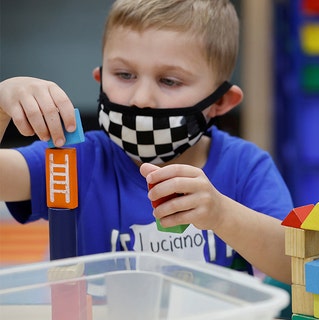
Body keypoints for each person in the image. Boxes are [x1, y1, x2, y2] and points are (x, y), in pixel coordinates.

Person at [0, 0, 293, 283]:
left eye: (169, 81)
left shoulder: (245, 166)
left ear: (221, 102)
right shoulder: (75, 159)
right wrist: (1, 105)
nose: (141, 100)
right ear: (100, 78)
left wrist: (222, 215)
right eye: (124, 75)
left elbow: (294, 266)